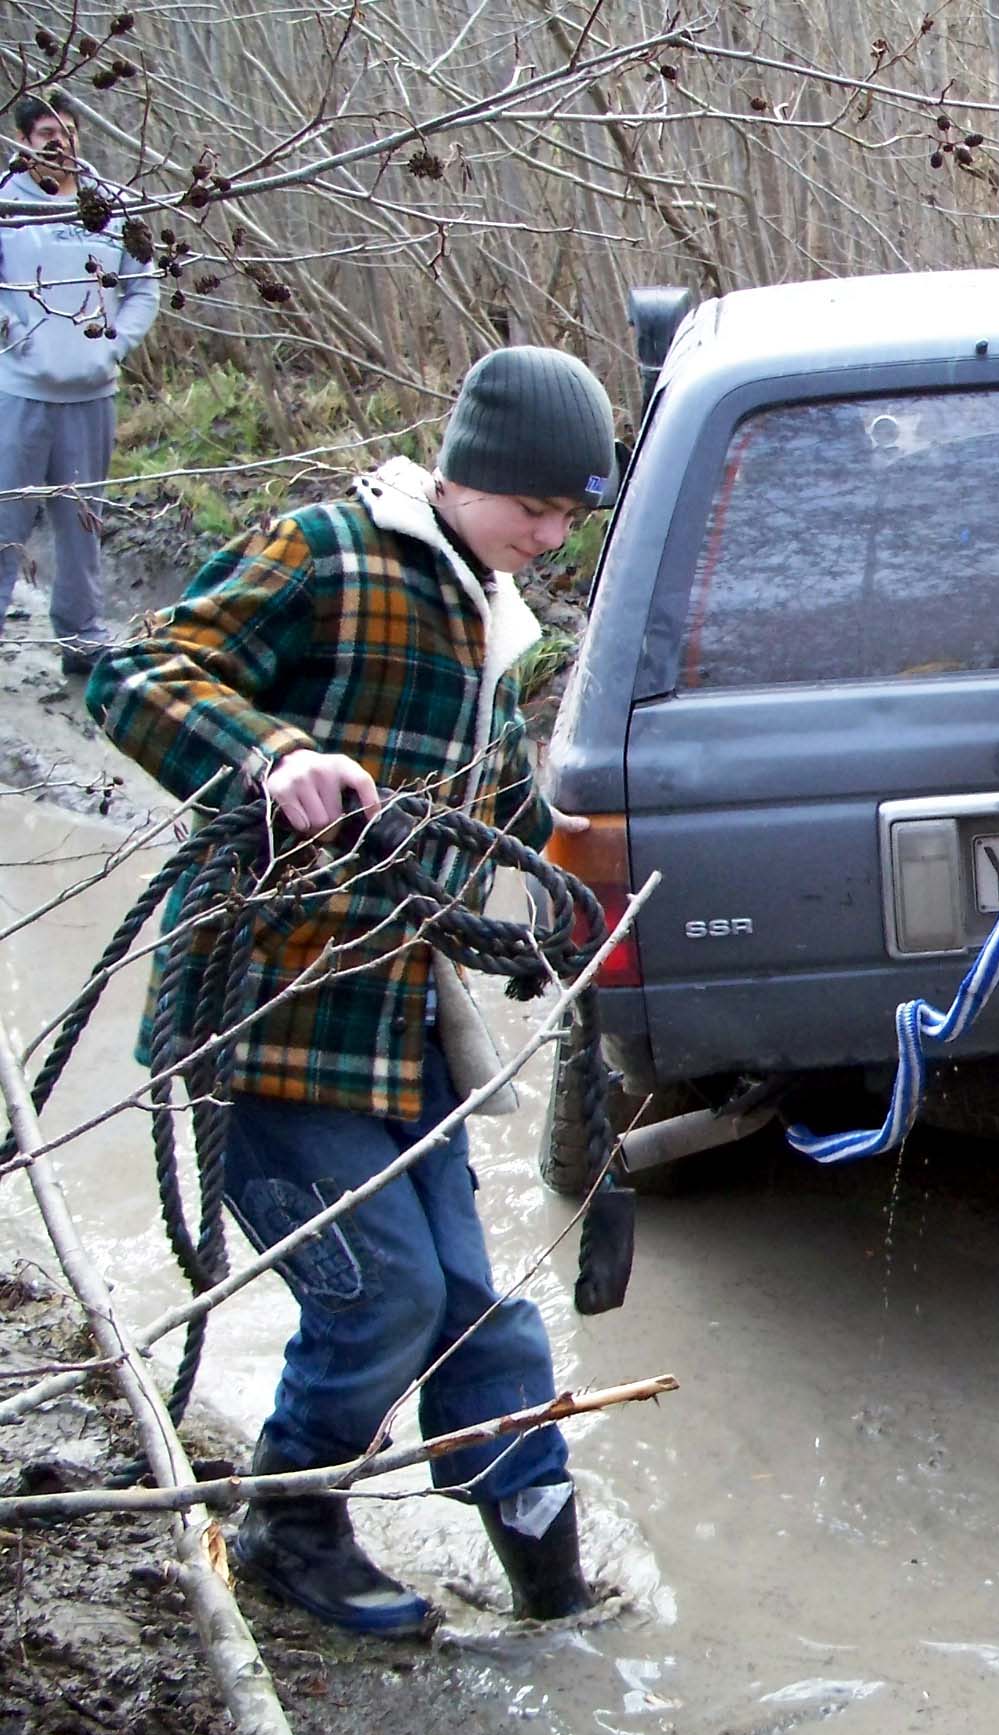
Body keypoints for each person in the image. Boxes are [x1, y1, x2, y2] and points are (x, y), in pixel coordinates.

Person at [87, 346, 619, 1635]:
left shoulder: (493, 619)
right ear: (467, 472)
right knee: (379, 1293)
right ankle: (291, 1528)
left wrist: (573, 888)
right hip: (270, 1018)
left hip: (401, 1031)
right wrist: (273, 757)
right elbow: (135, 673)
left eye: (567, 517)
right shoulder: (323, 552)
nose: (549, 537)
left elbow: (495, 813)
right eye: (535, 508)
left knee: (477, 1315)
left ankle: (547, 1567)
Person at [0, 93, 159, 671]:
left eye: (68, 130)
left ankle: (82, 637)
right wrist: (14, 333)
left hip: (92, 393)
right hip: (20, 392)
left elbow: (144, 286)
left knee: (83, 523)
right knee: (5, 522)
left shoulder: (109, 205)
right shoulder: (5, 206)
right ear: (23, 140)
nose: (60, 142)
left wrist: (116, 344)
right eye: (46, 132)